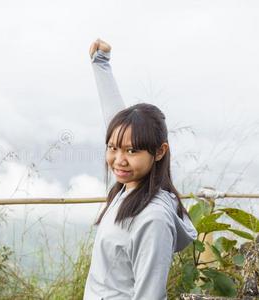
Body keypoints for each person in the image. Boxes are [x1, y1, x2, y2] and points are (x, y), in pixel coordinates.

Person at [84, 39, 198, 300]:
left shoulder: (153, 218)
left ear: (159, 151)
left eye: (132, 151)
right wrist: (101, 63)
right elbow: (115, 119)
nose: (119, 160)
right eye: (113, 148)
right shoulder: (130, 187)